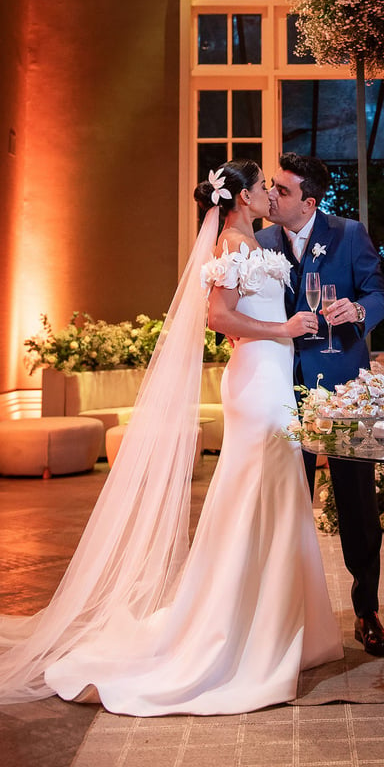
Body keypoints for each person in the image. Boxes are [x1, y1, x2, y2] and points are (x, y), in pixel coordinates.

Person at [0, 160, 343, 713]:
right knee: (256, 497)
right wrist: (282, 328)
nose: (268, 196)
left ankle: (280, 623)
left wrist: (294, 324)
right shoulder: (233, 248)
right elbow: (219, 316)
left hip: (274, 379)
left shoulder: (254, 244)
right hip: (257, 384)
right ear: (239, 200)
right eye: (260, 189)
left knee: (277, 500)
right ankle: (238, 631)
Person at [256, 153, 384, 657]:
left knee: (357, 504)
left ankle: (367, 612)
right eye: (271, 187)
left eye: (283, 191)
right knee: (290, 503)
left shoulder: (348, 233)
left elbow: (380, 294)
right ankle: (290, 616)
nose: (272, 196)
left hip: (344, 388)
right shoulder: (263, 241)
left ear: (309, 202)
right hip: (283, 389)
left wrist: (358, 309)